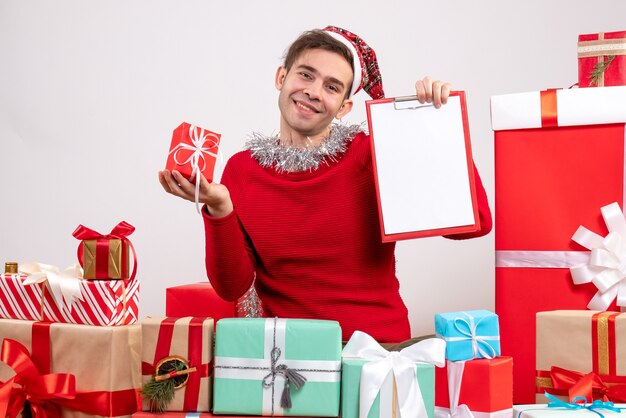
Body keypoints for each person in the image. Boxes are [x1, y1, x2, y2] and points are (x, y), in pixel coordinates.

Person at [159, 26, 492, 343]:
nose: (313, 92)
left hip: (375, 355)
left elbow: (474, 224)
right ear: (281, 77)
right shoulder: (242, 171)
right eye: (306, 74)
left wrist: (437, 127)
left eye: (332, 87)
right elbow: (232, 287)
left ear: (345, 107)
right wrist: (220, 208)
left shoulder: (371, 154)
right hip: (288, 362)